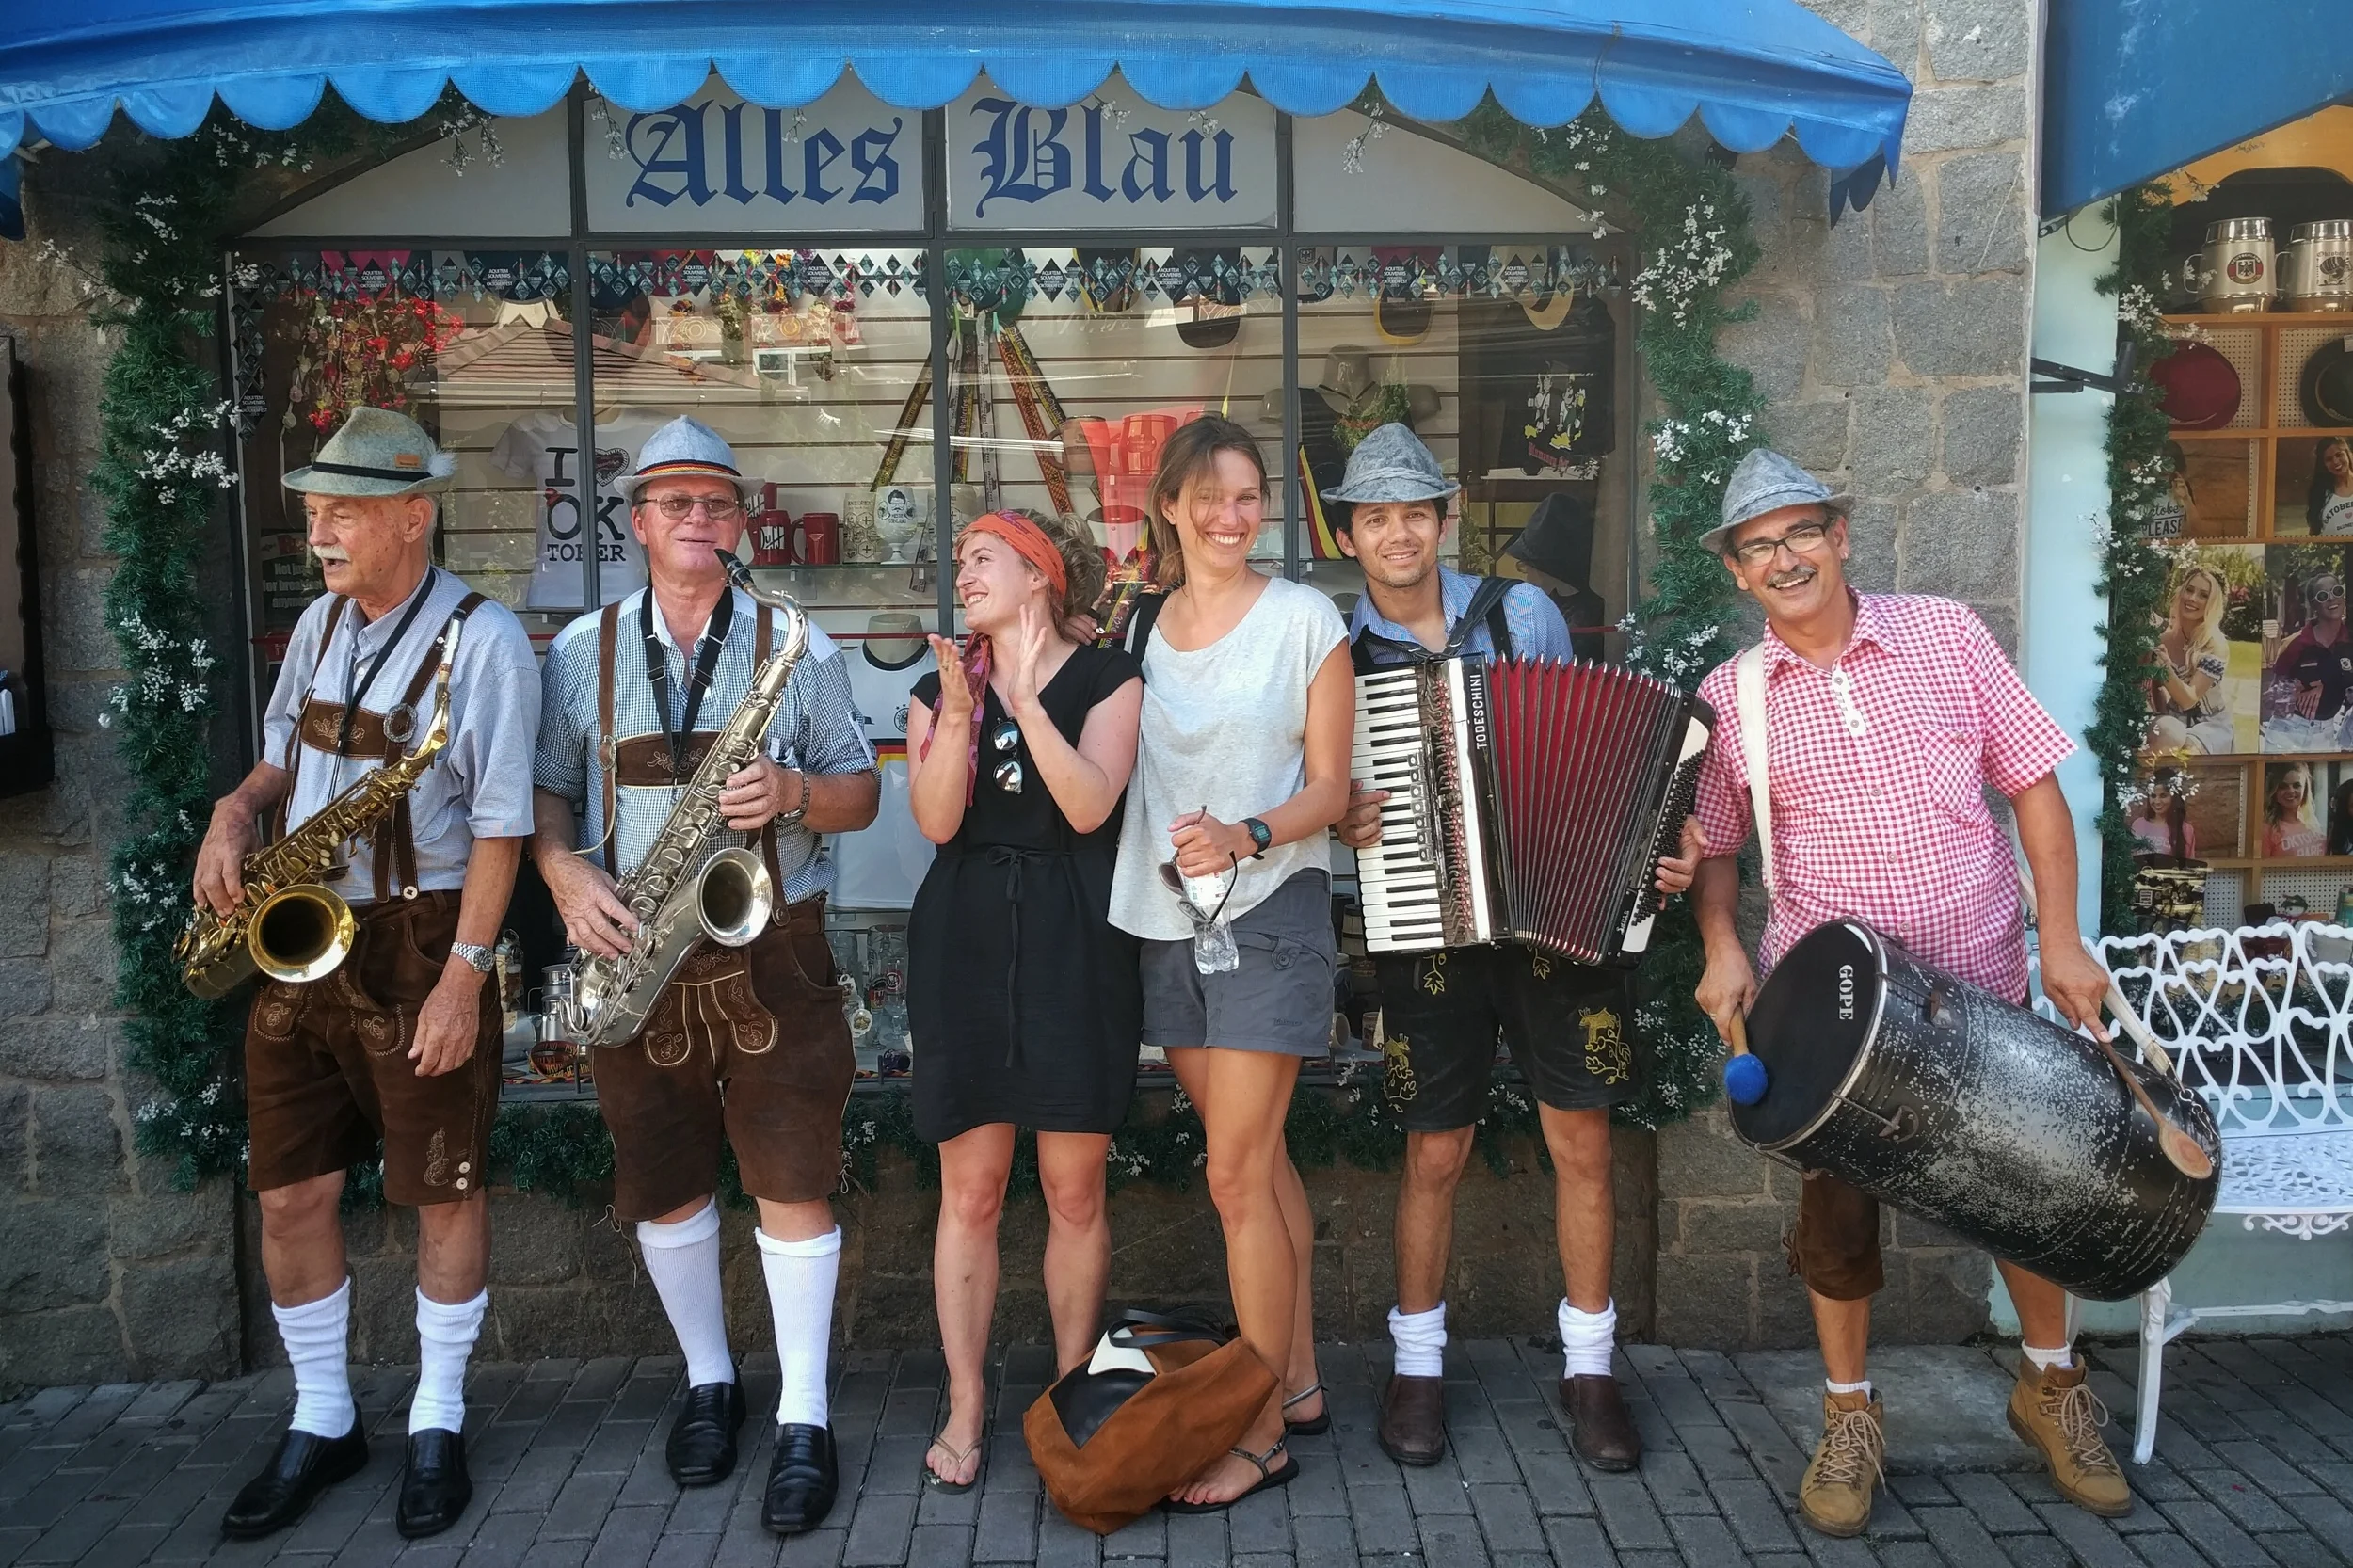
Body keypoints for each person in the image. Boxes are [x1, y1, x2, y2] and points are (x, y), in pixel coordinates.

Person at [1688, 448, 2131, 1537]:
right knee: (1836, 1216)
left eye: (1800, 533)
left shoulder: (1943, 633)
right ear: (1738, 575)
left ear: (1840, 537)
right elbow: (1716, 848)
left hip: (1977, 969)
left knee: (2024, 1185)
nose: (1783, 557)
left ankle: (2050, 1385)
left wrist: (2061, 939)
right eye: (1759, 546)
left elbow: (2031, 786)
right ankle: (1848, 1414)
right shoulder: (1729, 694)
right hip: (1833, 1005)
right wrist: (1718, 945)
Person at [190, 408, 538, 1543]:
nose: (321, 531)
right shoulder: (318, 627)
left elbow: (499, 827)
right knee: (289, 1185)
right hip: (305, 929)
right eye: (315, 511)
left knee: (443, 1182)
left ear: (413, 516)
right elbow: (280, 755)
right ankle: (324, 1414)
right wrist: (236, 809)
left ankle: (436, 1417)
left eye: (342, 511)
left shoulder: (482, 641)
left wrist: (463, 977)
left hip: (420, 933)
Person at [1325, 424, 1702, 1470]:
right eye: (1374, 517)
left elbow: (1592, 748)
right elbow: (1313, 788)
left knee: (1581, 1143)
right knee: (1433, 1149)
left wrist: (1656, 849)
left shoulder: (1519, 611)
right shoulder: (1334, 650)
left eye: (1414, 512)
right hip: (1423, 923)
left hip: (1557, 918)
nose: (1397, 533)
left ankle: (1590, 1369)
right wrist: (1337, 819)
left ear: (1443, 521)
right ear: (1349, 534)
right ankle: (1416, 1366)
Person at [531, 417, 879, 1538]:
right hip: (634, 944)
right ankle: (708, 1381)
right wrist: (559, 874)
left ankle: (806, 1416)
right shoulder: (579, 648)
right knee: (665, 1175)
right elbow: (543, 794)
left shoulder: (796, 641)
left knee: (792, 1179)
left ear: (740, 522)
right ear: (635, 523)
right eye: (673, 502)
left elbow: (861, 793)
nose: (696, 520)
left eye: (715, 504)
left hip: (772, 946)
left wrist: (789, 792)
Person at [1106, 414, 1352, 1511]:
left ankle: (1257, 1431)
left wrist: (1249, 832)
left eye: (1248, 495)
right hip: (1168, 921)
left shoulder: (1306, 617)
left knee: (1232, 1174)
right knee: (1257, 1164)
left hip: (1268, 911)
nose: (1228, 514)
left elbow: (1334, 792)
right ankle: (1294, 1378)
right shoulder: (1140, 626)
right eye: (1208, 495)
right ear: (1169, 505)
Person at [904, 509, 1144, 1492]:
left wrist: (1026, 696)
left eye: (984, 558)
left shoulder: (1109, 678)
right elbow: (934, 821)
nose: (964, 572)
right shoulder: (936, 687)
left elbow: (1090, 804)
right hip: (962, 937)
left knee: (1073, 1188)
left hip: (1074, 940)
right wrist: (962, 711)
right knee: (973, 1188)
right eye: (960, 560)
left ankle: (1068, 1390)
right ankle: (966, 1400)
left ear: (1039, 575)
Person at [2146, 564, 2234, 755]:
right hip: (2173, 721)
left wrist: (2165, 668)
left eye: (2203, 595)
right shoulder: (2163, 640)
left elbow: (2189, 700)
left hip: (2209, 725)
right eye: (2190, 590)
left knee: (2185, 751)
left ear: (2213, 603)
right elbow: (2157, 688)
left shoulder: (2215, 645)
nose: (2193, 599)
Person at [2272, 572, 2353, 722]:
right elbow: (2273, 695)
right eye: (2323, 596)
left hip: (2328, 732)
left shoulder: (2349, 641)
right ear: (2314, 605)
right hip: (2290, 730)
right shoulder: (2295, 643)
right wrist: (2289, 695)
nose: (2331, 598)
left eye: (2337, 591)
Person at [2264, 762, 2327, 857]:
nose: (2291, 791)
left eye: (2296, 785)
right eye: (2283, 786)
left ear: (2305, 789)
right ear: (2275, 791)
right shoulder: (2267, 829)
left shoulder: (2313, 824)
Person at [2309, 436, 2353, 536]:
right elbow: (2314, 532)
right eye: (2329, 459)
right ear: (2323, 464)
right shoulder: (2319, 493)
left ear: (2347, 453)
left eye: (2339, 455)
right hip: (2334, 551)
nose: (2336, 462)